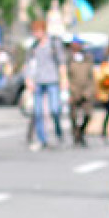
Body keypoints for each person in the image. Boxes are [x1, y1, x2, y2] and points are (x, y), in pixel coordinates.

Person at [26, 19, 67, 151]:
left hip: (52, 80)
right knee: (38, 112)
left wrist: (64, 79)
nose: (36, 34)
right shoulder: (33, 47)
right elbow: (30, 65)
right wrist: (29, 79)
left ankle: (58, 131)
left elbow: (61, 63)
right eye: (34, 31)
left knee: (55, 109)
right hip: (38, 81)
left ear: (43, 30)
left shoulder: (53, 44)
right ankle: (42, 139)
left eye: (37, 31)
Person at [66, 38, 97, 147]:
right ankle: (76, 134)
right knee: (73, 116)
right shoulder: (68, 59)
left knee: (88, 114)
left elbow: (91, 77)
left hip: (86, 90)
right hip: (73, 91)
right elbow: (66, 76)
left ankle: (81, 131)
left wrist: (90, 91)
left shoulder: (87, 58)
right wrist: (70, 91)